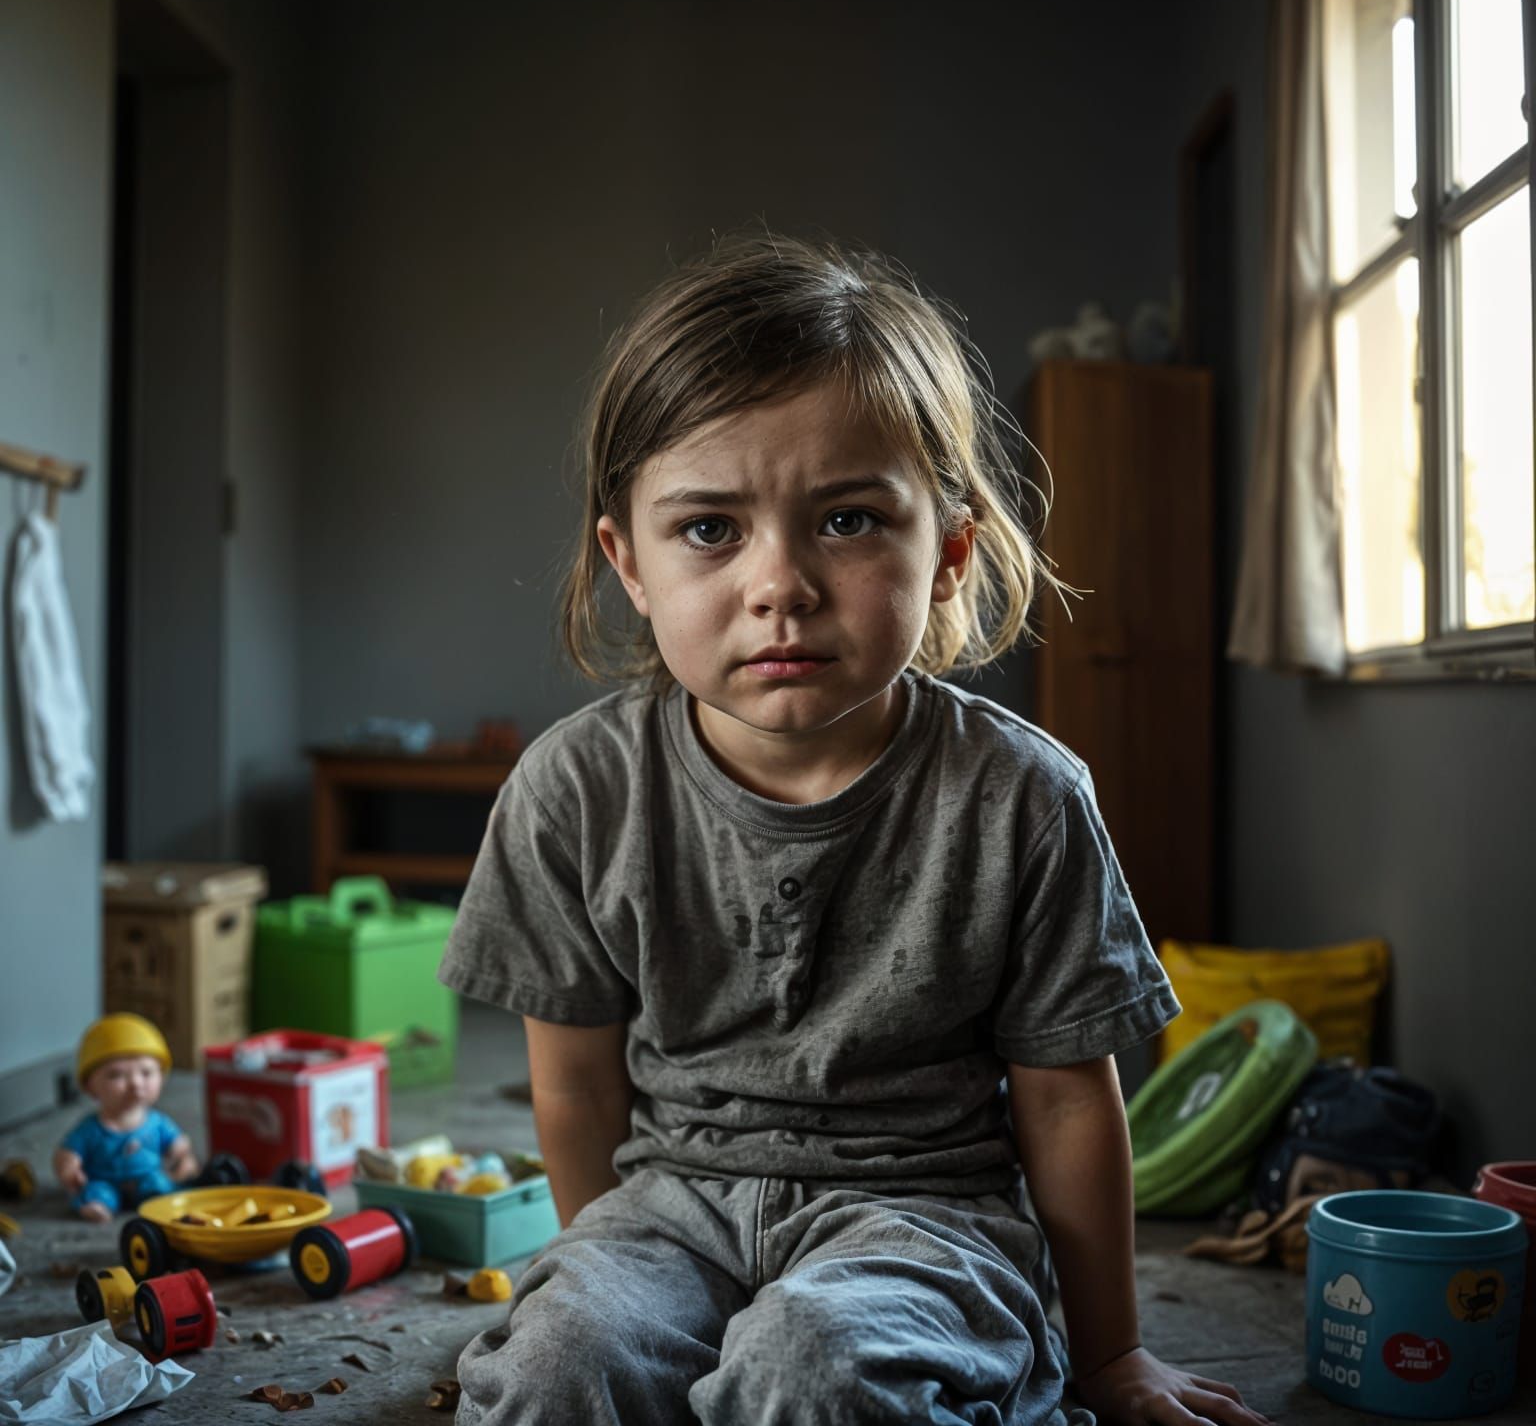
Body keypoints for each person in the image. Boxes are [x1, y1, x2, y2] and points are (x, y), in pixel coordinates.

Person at [439, 233, 1269, 1426]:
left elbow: (1070, 1102)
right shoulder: (575, 790)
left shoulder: (1022, 797)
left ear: (950, 550)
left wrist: (1114, 1357)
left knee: (817, 1361)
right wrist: (618, 1296)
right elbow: (572, 1088)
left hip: (930, 1218)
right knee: (558, 1359)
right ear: (628, 560)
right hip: (671, 1205)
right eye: (711, 531)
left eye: (847, 521)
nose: (780, 583)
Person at [53, 1013, 199, 1223]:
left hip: (146, 1178)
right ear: (89, 1086)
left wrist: (182, 1155)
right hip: (104, 1179)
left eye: (146, 1073)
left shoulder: (158, 1123)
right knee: (97, 1190)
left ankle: (160, 1202)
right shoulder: (91, 1129)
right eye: (116, 1075)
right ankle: (98, 1206)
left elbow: (178, 1144)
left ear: (162, 1077)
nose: (135, 1083)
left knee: (160, 1183)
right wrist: (69, 1168)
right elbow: (67, 1153)